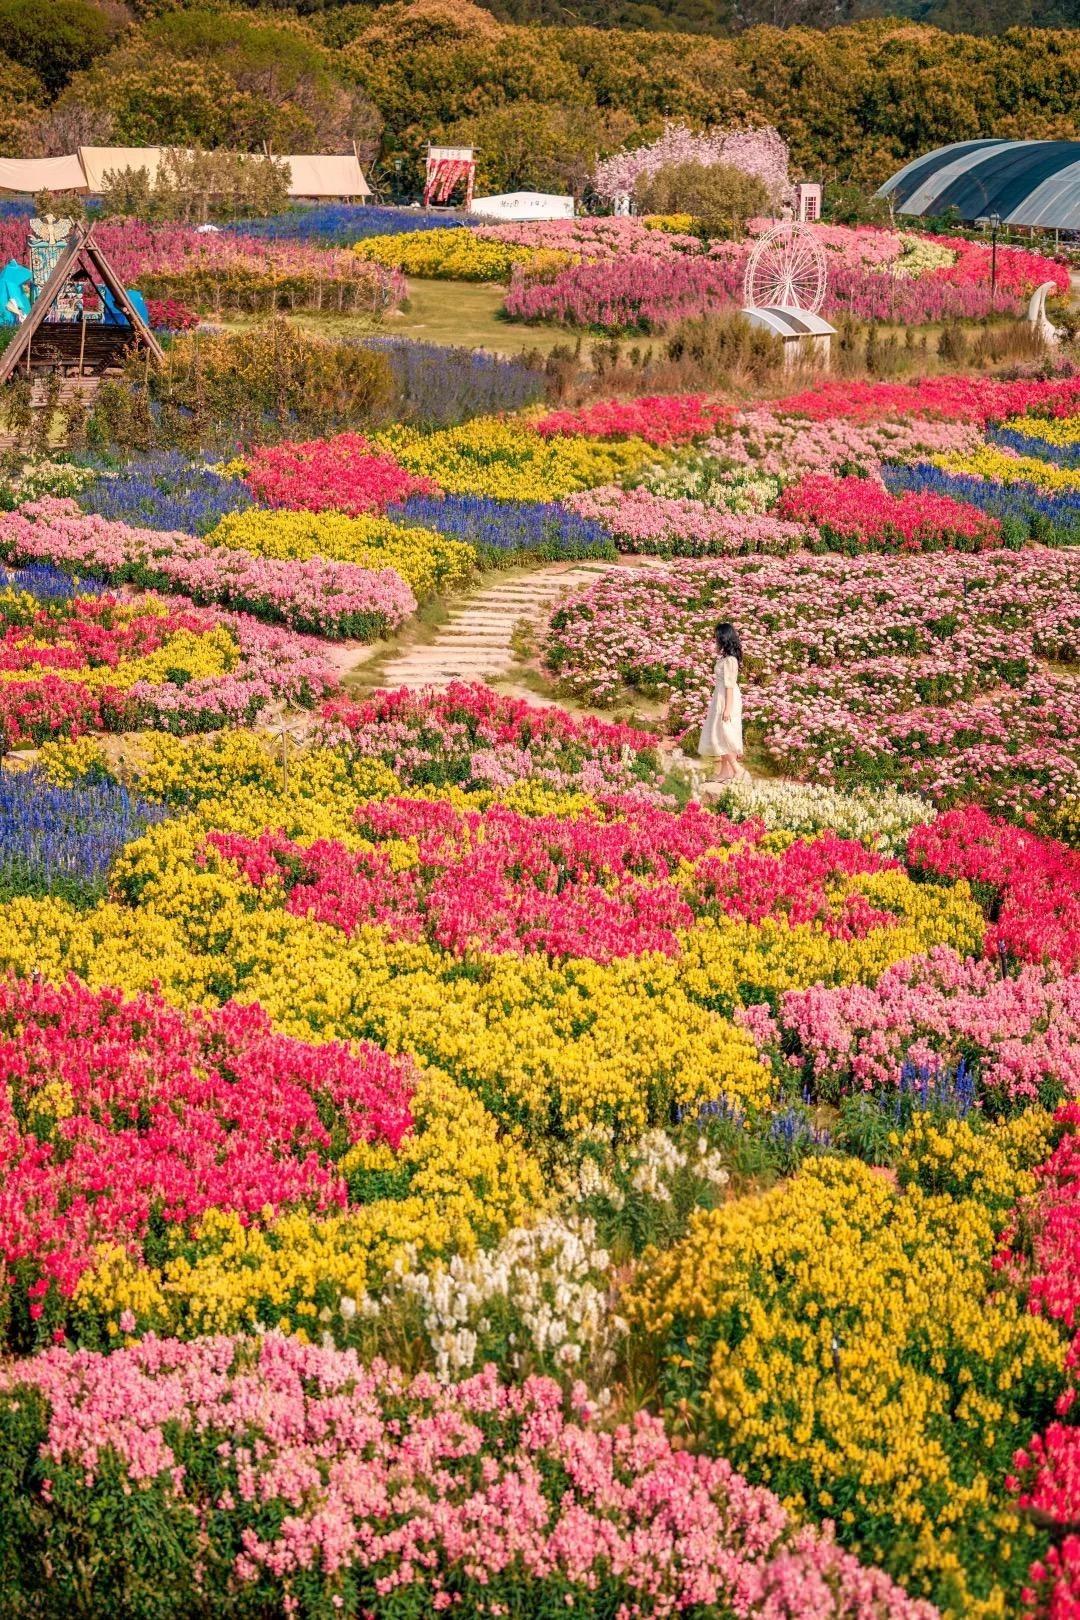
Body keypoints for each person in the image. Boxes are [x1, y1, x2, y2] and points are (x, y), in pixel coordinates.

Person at [699, 621, 748, 783]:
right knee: (721, 733)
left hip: (727, 699)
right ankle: (725, 772)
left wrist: (727, 709)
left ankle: (737, 769)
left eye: (717, 637)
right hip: (720, 697)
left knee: (723, 735)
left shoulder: (730, 660)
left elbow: (730, 686)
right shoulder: (726, 658)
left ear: (723, 638)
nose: (715, 640)